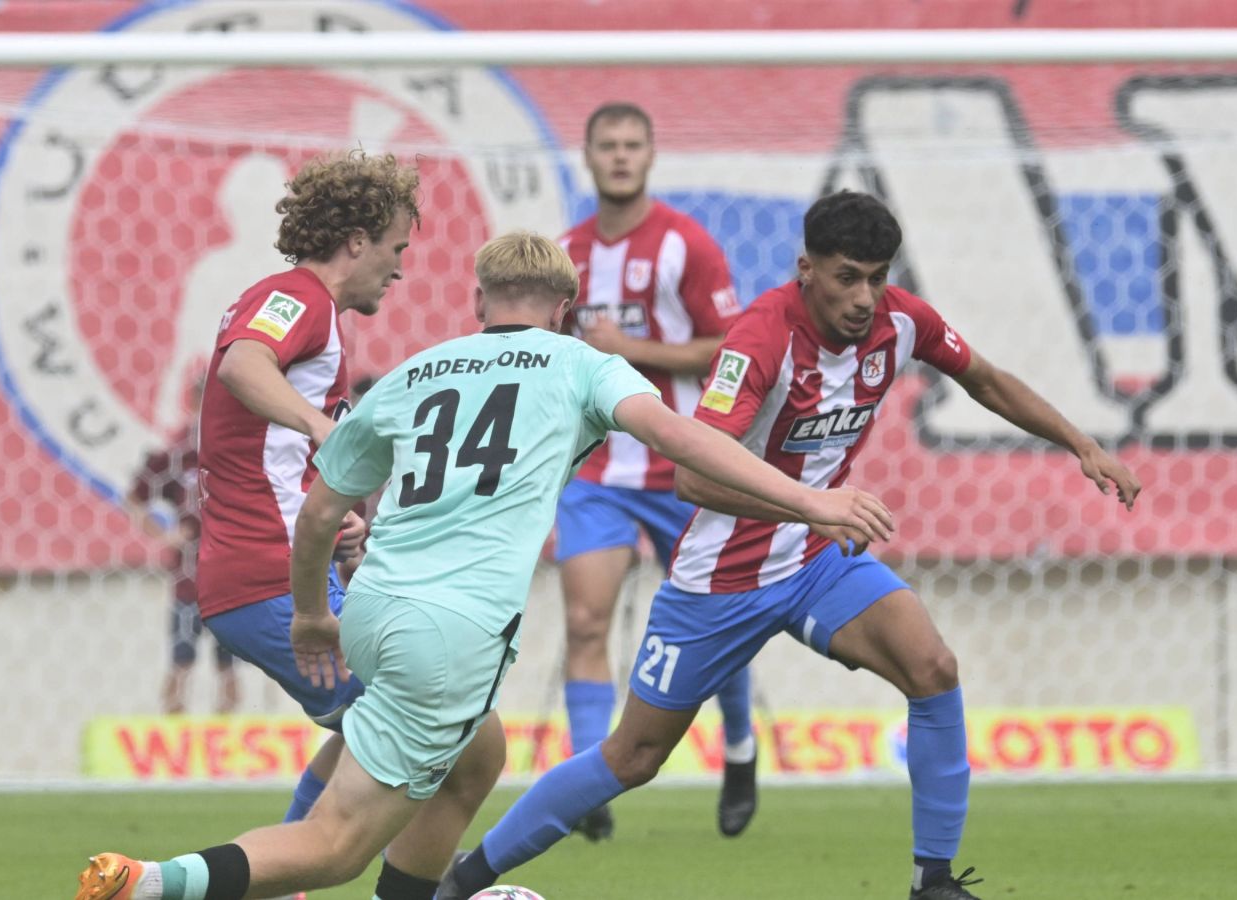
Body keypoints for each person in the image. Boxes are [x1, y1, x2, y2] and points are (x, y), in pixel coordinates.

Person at [74, 231, 892, 900]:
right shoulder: (580, 365)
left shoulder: (416, 370)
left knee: (478, 758)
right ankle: (149, 885)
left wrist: (314, 611)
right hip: (451, 633)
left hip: (373, 608)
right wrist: (811, 499)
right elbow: (682, 438)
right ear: (566, 310)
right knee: (335, 846)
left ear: (477, 303)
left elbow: (324, 507)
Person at [438, 192, 1142, 900]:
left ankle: (934, 880)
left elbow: (984, 379)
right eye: (846, 277)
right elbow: (692, 475)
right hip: (721, 579)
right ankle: (464, 878)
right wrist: (810, 507)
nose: (865, 296)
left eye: (877, 276)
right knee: (633, 754)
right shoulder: (761, 340)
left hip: (814, 561)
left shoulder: (902, 322)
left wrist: (1081, 444)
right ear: (806, 268)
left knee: (932, 667)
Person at [113, 149, 500, 900]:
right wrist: (329, 431)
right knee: (462, 737)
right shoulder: (297, 299)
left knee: (392, 733)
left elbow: (266, 452)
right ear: (356, 241)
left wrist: (335, 513)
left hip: (271, 571)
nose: (398, 270)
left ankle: (268, 884)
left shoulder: (308, 309)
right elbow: (242, 365)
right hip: (268, 580)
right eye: (395, 250)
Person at [555, 101, 756, 839]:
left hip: (682, 467)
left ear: (650, 154)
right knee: (584, 620)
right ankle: (583, 788)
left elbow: (730, 347)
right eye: (606, 143)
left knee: (720, 621)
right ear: (587, 154)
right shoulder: (564, 254)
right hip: (599, 472)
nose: (619, 155)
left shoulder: (685, 244)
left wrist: (629, 351)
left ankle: (740, 749)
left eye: (632, 143)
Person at [124, 374, 239, 715]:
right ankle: (174, 733)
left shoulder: (237, 451)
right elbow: (136, 496)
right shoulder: (180, 453)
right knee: (181, 660)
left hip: (230, 577)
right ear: (191, 403)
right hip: (189, 579)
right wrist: (165, 534)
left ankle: (225, 734)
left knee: (228, 665)